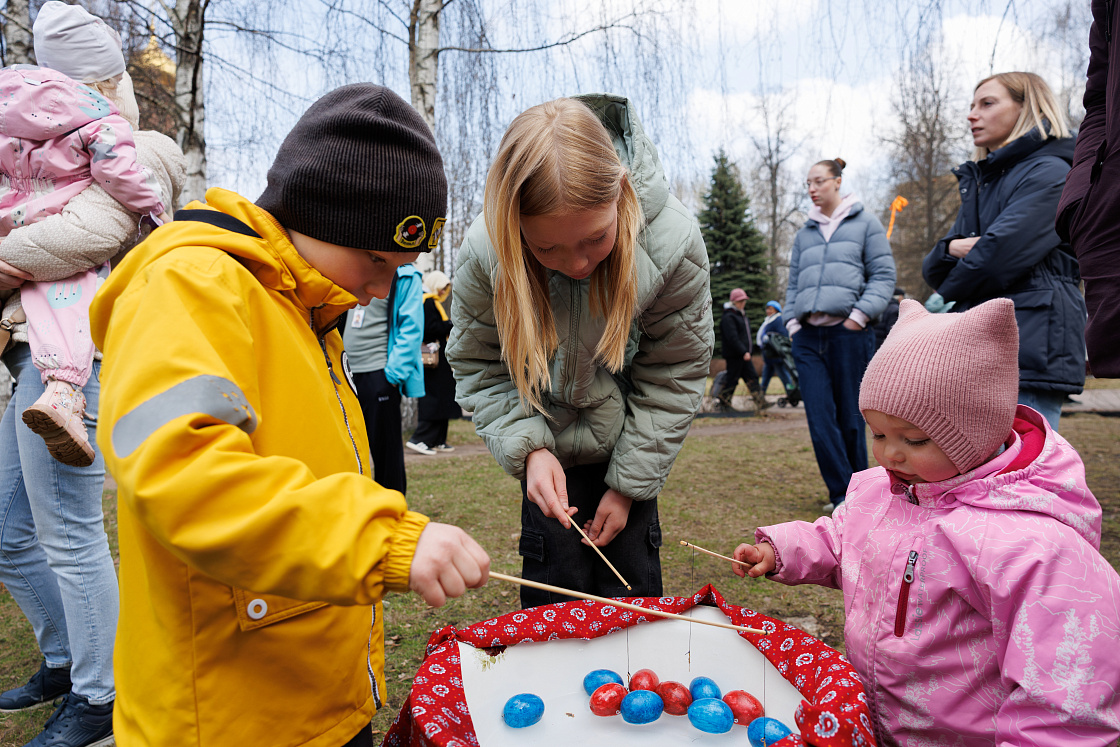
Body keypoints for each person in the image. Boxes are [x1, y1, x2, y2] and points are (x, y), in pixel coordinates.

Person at [88, 84, 489, 747]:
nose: (384, 288)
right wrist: (381, 540)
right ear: (318, 214)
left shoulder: (307, 312)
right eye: (377, 260)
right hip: (226, 720)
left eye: (402, 268)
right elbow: (185, 478)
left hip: (312, 706)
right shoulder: (192, 286)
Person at [731, 298, 1120, 745]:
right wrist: (781, 550)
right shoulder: (881, 491)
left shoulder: (1035, 547)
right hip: (880, 722)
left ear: (976, 434)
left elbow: (1066, 702)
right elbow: (843, 543)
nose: (889, 454)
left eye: (914, 439)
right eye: (877, 434)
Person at [0, 5, 185, 747]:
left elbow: (92, 233)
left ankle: (102, 696)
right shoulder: (27, 153)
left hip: (85, 355)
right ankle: (67, 657)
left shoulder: (145, 145)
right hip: (23, 355)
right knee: (9, 527)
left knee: (70, 527)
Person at [447, 94, 712, 608]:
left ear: (621, 194)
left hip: (630, 453)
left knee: (635, 607)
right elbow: (478, 363)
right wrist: (529, 449)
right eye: (546, 249)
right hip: (546, 464)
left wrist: (630, 484)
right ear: (514, 225)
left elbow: (675, 370)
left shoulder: (672, 242)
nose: (577, 264)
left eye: (596, 238)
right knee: (551, 612)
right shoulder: (486, 252)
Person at [0, 2, 169, 468]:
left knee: (48, 533)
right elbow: (116, 183)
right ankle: (64, 389)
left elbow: (86, 231)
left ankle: (63, 389)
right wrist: (154, 207)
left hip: (16, 217)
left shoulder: (11, 109)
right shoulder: (100, 117)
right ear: (110, 79)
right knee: (72, 295)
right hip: (56, 261)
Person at [923, 72, 1086, 431]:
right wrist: (951, 248)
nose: (971, 115)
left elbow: (995, 259)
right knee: (983, 475)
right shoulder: (984, 182)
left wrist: (941, 298)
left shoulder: (1051, 173)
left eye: (987, 103)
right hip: (983, 340)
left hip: (1031, 343)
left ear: (1027, 108)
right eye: (971, 105)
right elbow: (934, 266)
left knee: (1020, 475)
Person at [785, 157, 896, 512]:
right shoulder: (804, 234)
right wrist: (791, 323)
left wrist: (859, 317)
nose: (812, 189)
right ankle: (840, 495)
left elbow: (883, 275)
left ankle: (860, 490)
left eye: (818, 181)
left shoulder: (865, 223)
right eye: (808, 183)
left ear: (837, 181)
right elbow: (792, 284)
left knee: (850, 416)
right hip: (807, 339)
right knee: (819, 418)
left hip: (848, 335)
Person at [1057, 3, 1120, 378]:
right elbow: (1098, 97)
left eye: (986, 103)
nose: (972, 114)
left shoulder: (1043, 170)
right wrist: (1085, 189)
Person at [343, 260, 425, 493]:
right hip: (345, 373)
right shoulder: (355, 267)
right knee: (348, 449)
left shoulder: (406, 275)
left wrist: (392, 375)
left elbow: (411, 327)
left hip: (379, 375)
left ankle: (393, 515)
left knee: (386, 454)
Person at [406, 270, 458, 455]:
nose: (444, 292)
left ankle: (437, 439)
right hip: (432, 360)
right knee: (432, 399)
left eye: (446, 289)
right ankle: (421, 438)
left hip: (438, 359)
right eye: (442, 288)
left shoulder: (432, 301)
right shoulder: (427, 301)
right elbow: (429, 328)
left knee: (442, 397)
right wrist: (450, 325)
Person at [714, 288, 771, 414]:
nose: (743, 303)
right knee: (732, 379)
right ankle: (724, 403)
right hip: (735, 355)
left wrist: (748, 351)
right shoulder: (729, 317)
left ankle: (760, 401)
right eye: (740, 301)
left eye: (744, 300)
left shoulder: (741, 315)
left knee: (752, 377)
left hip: (744, 354)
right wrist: (743, 351)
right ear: (734, 302)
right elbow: (732, 338)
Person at [756, 300, 794, 398]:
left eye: (771, 309)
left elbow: (782, 336)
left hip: (776, 354)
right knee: (766, 376)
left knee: (784, 376)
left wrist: (768, 339)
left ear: (776, 310)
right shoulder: (769, 320)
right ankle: (761, 395)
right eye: (767, 308)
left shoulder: (778, 320)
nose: (768, 310)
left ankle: (792, 394)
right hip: (769, 355)